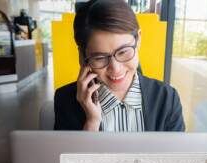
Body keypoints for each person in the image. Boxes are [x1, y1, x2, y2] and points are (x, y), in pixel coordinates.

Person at [54, 0, 185, 132]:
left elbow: (176, 152)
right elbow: (66, 153)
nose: (115, 69)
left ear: (138, 40)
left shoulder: (167, 99)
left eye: (123, 52)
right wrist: (91, 122)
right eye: (100, 57)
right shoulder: (66, 101)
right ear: (83, 57)